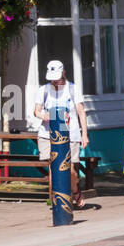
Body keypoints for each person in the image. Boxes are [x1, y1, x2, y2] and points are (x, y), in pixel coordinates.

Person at [33, 60, 90, 208]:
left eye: (57, 77)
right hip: (48, 134)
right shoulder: (43, 90)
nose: (55, 80)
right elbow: (36, 110)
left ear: (63, 72)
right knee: (53, 169)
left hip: (71, 134)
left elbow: (81, 112)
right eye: (52, 77)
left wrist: (85, 135)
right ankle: (58, 202)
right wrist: (43, 116)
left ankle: (75, 191)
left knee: (70, 170)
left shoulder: (73, 89)